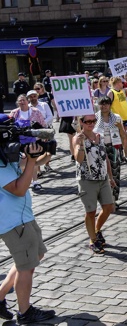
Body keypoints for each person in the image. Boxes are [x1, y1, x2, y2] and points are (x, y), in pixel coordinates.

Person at [0, 142, 56, 324]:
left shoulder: (6, 159)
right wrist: (31, 161)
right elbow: (19, 189)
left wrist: (46, 151)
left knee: (36, 255)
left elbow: (34, 163)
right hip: (13, 223)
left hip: (24, 217)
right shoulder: (0, 165)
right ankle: (24, 312)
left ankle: (0, 296)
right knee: (26, 267)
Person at [73, 114, 116, 254]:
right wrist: (80, 145)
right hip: (87, 179)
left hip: (102, 178)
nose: (91, 123)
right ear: (81, 122)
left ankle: (97, 230)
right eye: (88, 121)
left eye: (93, 121)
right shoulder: (77, 138)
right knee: (91, 211)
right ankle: (93, 240)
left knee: (109, 207)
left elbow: (106, 159)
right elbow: (79, 160)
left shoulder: (100, 136)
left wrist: (110, 176)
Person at [10, 95, 49, 191]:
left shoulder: (35, 111)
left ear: (27, 101)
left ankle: (35, 182)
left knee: (33, 161)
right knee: (22, 161)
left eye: (23, 100)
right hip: (19, 141)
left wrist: (43, 136)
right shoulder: (14, 113)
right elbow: (10, 126)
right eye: (20, 101)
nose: (22, 102)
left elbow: (43, 125)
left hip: (33, 140)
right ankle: (25, 180)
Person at [94, 96, 127, 206]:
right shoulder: (94, 118)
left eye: (106, 104)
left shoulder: (117, 118)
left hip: (114, 147)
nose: (104, 106)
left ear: (110, 105)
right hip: (100, 148)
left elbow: (123, 135)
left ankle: (113, 198)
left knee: (114, 173)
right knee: (102, 174)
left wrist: (121, 128)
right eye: (101, 104)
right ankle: (104, 200)